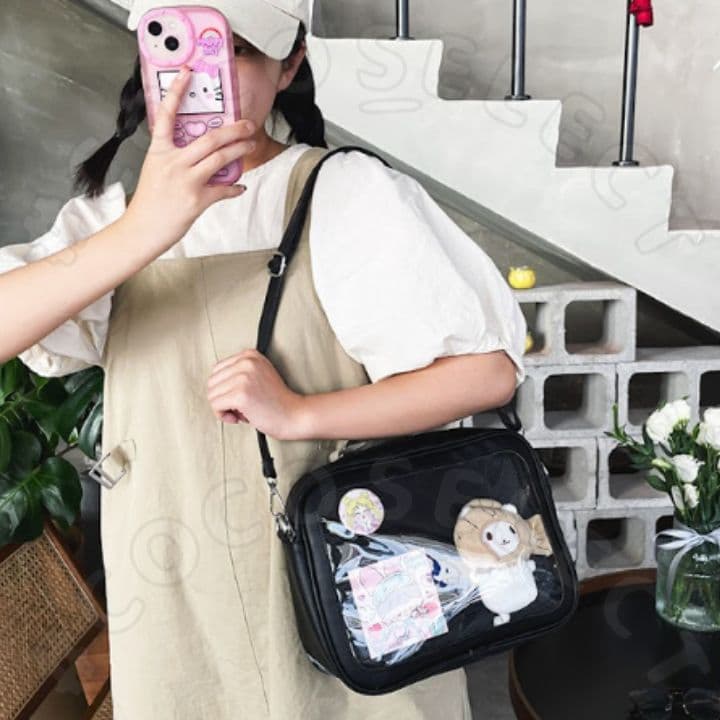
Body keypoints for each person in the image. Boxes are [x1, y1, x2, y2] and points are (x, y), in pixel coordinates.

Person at [0, 0, 527, 717]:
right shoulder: (108, 223)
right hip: (177, 591)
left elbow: (485, 372)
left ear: (290, 64)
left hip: (339, 576)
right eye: (179, 48)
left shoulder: (340, 193)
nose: (205, 73)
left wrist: (300, 413)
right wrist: (146, 227)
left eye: (239, 48)